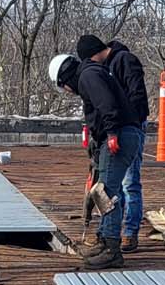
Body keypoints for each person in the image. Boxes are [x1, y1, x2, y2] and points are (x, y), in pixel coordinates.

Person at [49, 49, 131, 270]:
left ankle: (112, 250)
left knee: (106, 193)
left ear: (65, 78)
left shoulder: (88, 76)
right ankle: (105, 240)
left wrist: (112, 133)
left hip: (120, 136)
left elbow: (107, 104)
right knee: (104, 189)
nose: (68, 92)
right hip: (115, 136)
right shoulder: (91, 73)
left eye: (64, 87)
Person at [80, 34, 148, 253]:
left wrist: (124, 124)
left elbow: (136, 95)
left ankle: (129, 232)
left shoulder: (125, 60)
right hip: (117, 127)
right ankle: (110, 232)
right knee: (112, 184)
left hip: (127, 127)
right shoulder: (103, 68)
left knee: (129, 182)